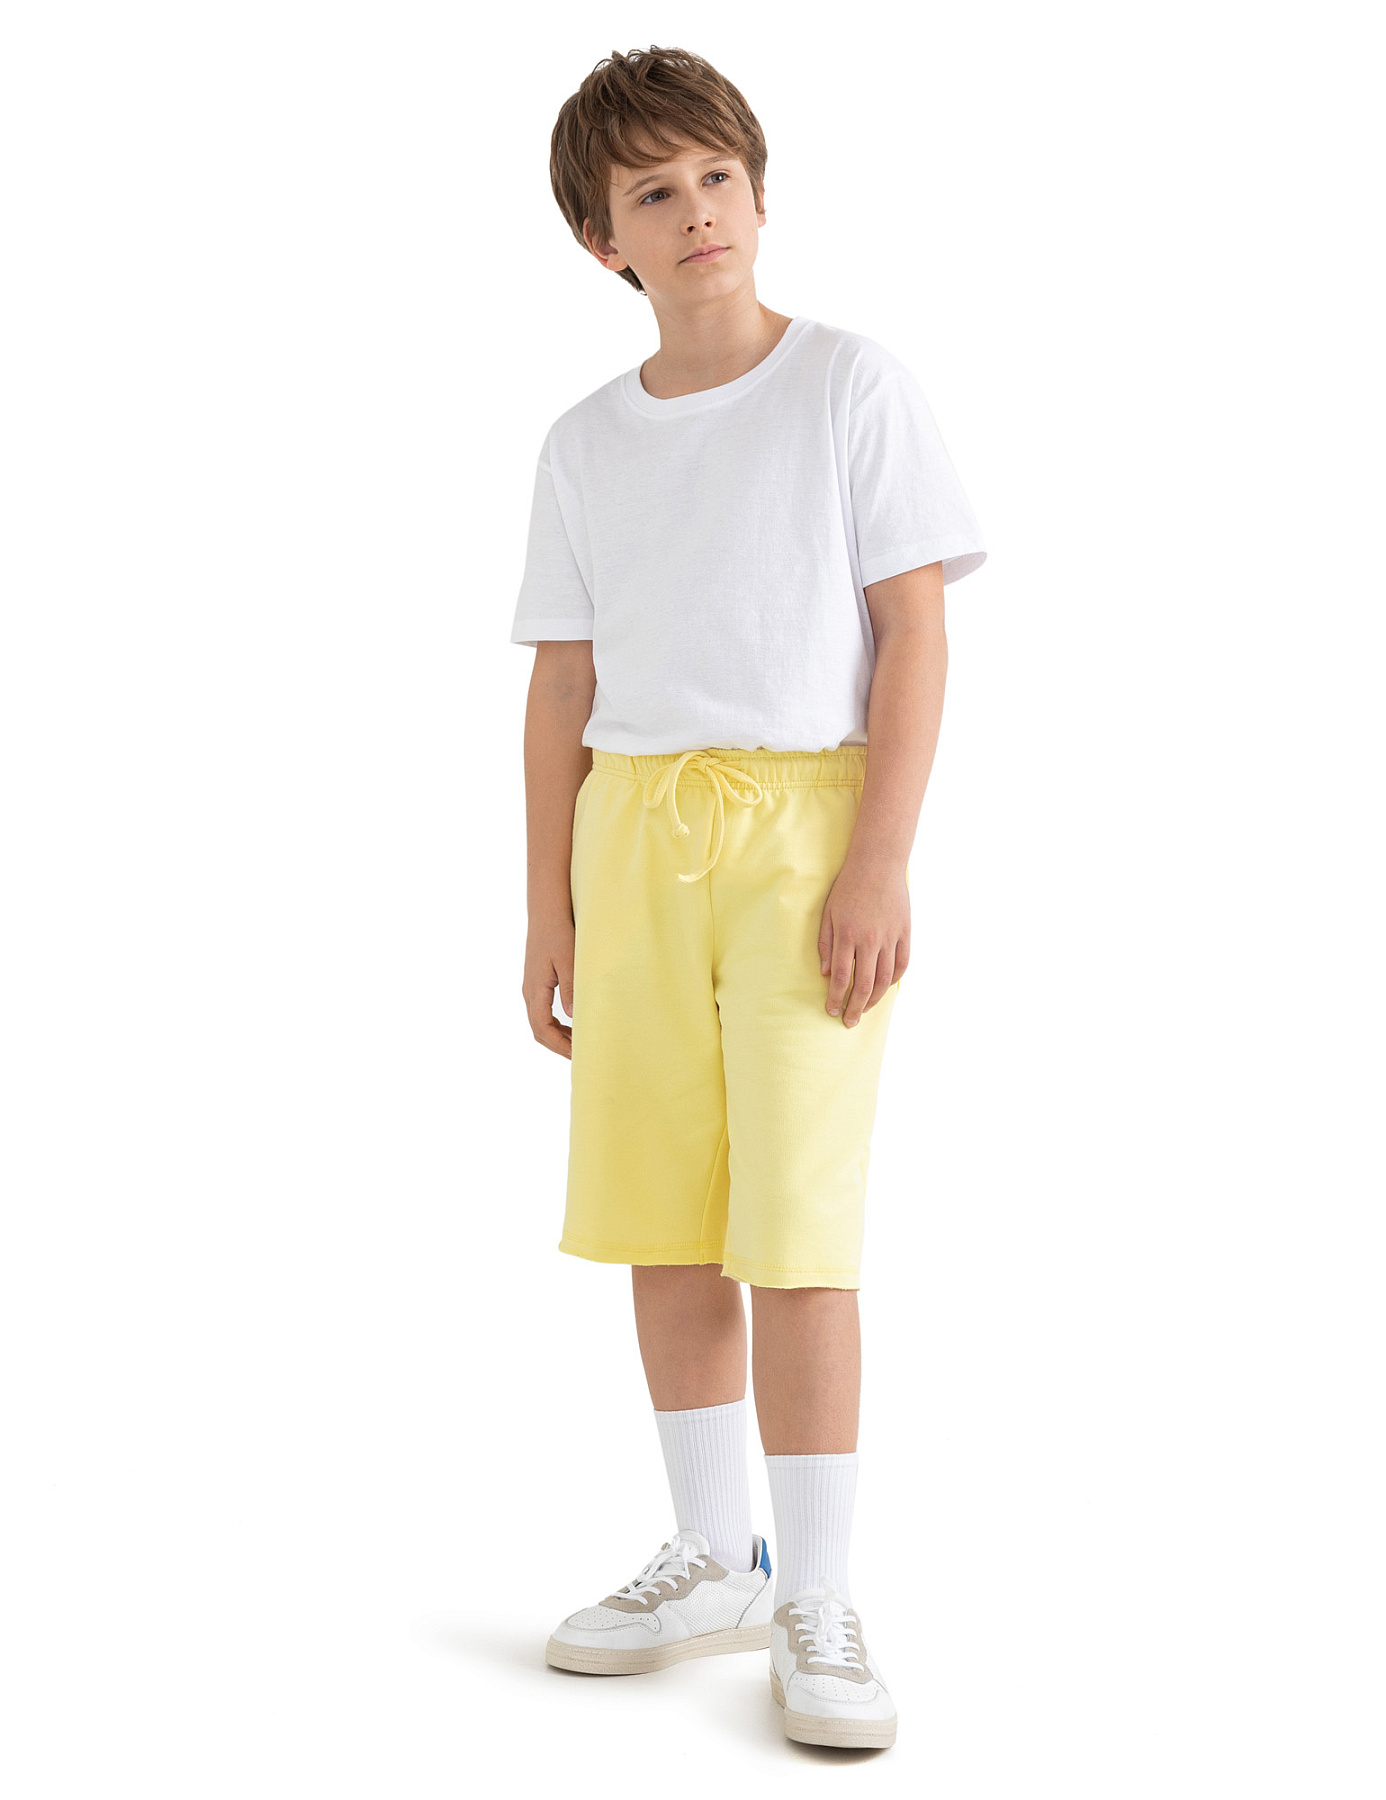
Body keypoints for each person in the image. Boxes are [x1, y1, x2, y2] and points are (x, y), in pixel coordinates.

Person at [510, 45, 986, 1752]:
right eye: (654, 192)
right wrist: (548, 907)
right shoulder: (586, 443)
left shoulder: (848, 386)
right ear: (604, 241)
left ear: (759, 192)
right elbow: (562, 685)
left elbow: (913, 629)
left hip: (801, 829)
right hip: (634, 838)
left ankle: (818, 1595)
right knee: (663, 1209)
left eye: (716, 176)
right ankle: (713, 1554)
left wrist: (878, 857)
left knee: (795, 1217)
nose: (696, 211)